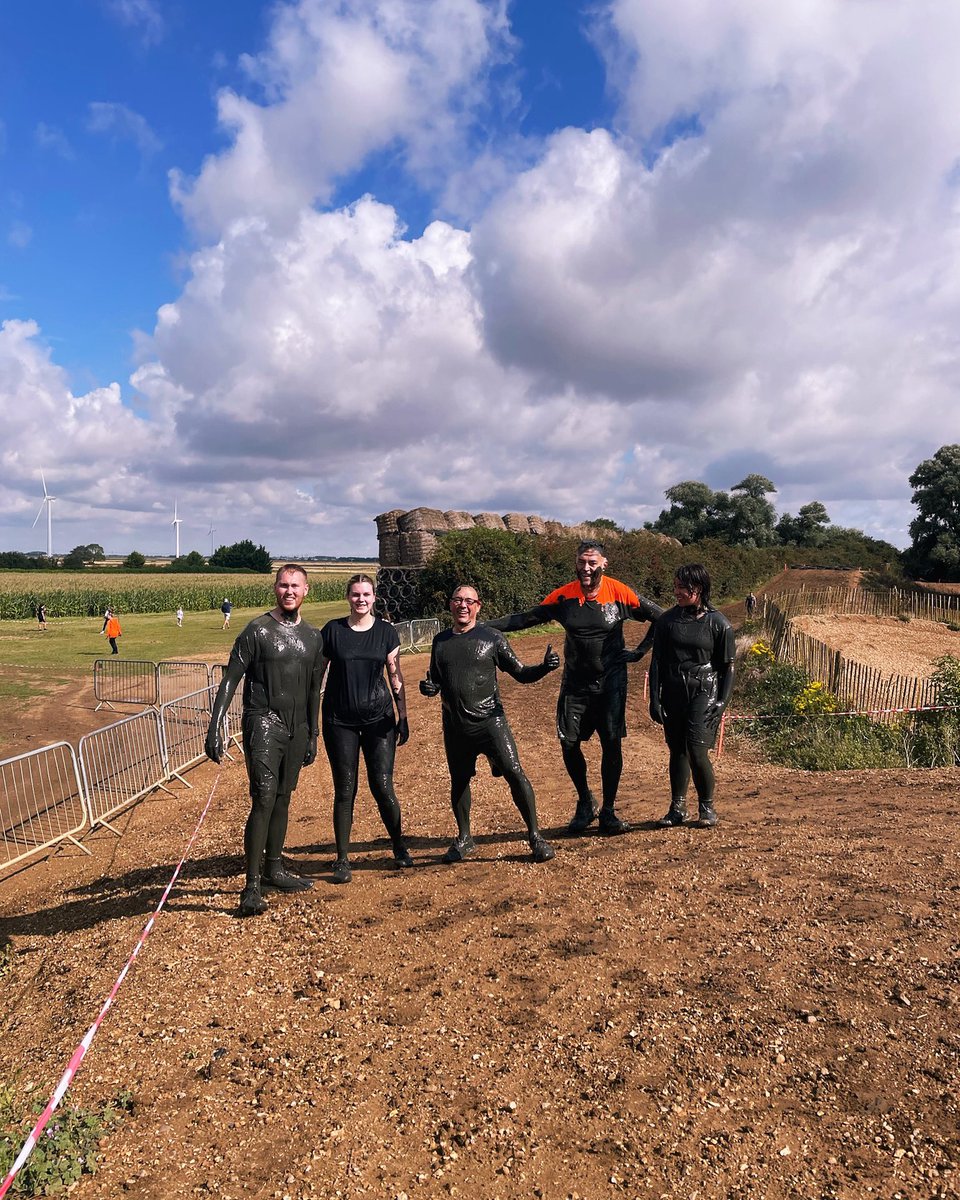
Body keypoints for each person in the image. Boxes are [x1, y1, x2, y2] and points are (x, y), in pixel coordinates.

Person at [487, 540, 662, 836]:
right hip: (575, 684)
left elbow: (660, 616)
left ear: (604, 564)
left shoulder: (620, 593)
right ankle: (585, 801)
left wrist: (641, 651)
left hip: (611, 684)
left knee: (611, 744)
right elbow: (526, 618)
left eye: (592, 562)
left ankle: (608, 811)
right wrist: (484, 624)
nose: (586, 568)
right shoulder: (564, 597)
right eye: (582, 562)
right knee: (568, 742)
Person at [205, 565, 324, 917]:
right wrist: (215, 726)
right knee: (265, 796)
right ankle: (252, 884)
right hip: (264, 722)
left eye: (295, 586)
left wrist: (313, 734)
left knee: (284, 798)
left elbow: (315, 689)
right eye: (283, 585)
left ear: (306, 590)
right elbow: (230, 680)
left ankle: (275, 868)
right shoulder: (256, 631)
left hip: (297, 726)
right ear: (275, 588)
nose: (289, 591)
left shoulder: (314, 638)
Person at [420, 584, 560, 865]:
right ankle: (464, 837)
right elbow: (435, 678)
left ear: (478, 606)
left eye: (469, 601)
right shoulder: (441, 641)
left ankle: (535, 836)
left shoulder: (492, 638)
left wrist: (544, 667)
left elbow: (520, 673)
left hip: (490, 723)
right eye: (458, 600)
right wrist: (430, 687)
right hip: (456, 726)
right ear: (450, 605)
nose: (463, 605)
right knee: (459, 780)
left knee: (514, 771)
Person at [320, 574, 412, 884]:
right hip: (339, 720)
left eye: (367, 594)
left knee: (382, 785)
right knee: (345, 789)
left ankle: (399, 847)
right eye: (356, 594)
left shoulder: (386, 632)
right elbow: (315, 679)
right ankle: (342, 858)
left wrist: (403, 716)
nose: (361, 599)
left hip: (378, 719)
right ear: (348, 597)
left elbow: (395, 675)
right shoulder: (333, 631)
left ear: (374, 598)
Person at [648, 563, 735, 830]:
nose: (676, 592)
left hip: (704, 692)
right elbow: (657, 662)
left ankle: (706, 806)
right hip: (674, 690)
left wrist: (722, 701)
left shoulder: (718, 623)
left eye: (682, 587)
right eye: (675, 586)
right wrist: (654, 698)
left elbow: (727, 666)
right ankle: (677, 808)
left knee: (697, 751)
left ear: (698, 588)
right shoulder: (667, 621)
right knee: (677, 751)